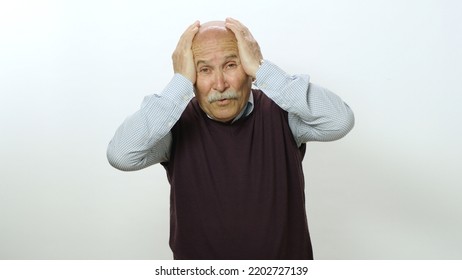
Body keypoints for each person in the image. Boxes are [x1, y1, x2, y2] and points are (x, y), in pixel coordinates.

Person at [107, 18, 354, 260]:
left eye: (230, 65)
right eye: (204, 70)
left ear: (248, 68)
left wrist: (263, 68)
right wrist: (179, 83)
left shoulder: (283, 111)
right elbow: (121, 154)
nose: (220, 84)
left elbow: (339, 120)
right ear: (192, 75)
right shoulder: (174, 124)